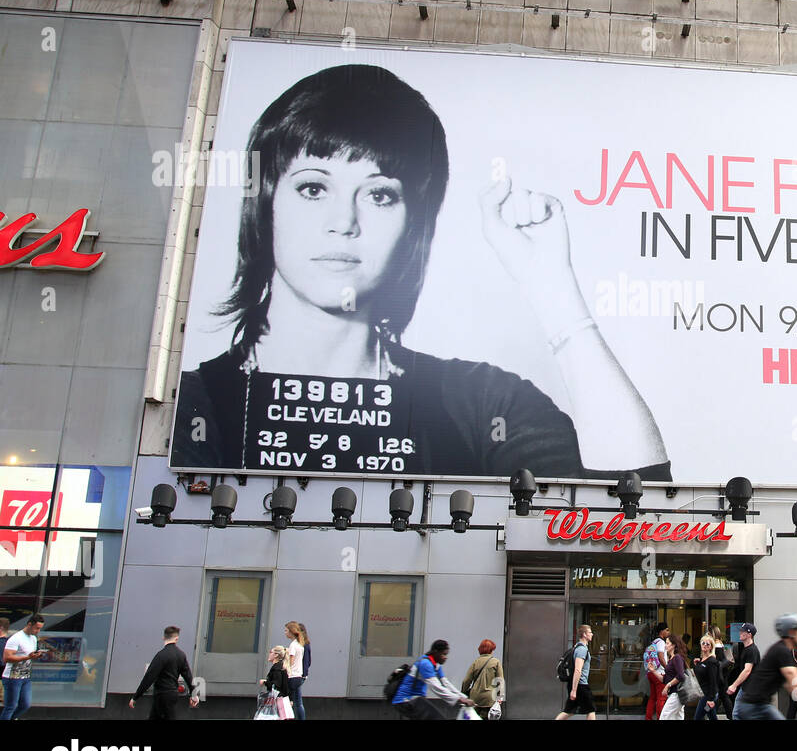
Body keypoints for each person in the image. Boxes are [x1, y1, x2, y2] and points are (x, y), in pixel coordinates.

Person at [172, 63, 671, 482]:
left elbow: (637, 502)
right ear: (266, 205)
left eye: (379, 194)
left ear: (415, 222)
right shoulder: (195, 407)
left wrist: (552, 291)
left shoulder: (480, 403)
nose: (343, 223)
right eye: (312, 188)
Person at [733, 614, 797, 720]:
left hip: (760, 705)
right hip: (753, 707)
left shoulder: (783, 649)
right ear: (791, 633)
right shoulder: (781, 651)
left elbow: (792, 686)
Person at [129, 625, 199, 720]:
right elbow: (188, 677)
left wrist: (135, 697)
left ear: (163, 638)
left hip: (161, 695)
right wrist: (194, 695)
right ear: (176, 638)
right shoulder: (181, 655)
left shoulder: (161, 655)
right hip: (173, 694)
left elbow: (149, 677)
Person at [393, 639, 474, 720]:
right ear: (435, 652)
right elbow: (436, 686)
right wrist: (459, 699)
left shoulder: (435, 665)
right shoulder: (425, 664)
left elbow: (445, 683)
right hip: (405, 701)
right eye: (444, 654)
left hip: (416, 700)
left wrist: (463, 697)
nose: (446, 657)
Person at [2, 614, 45, 721]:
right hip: (12, 677)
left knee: (25, 704)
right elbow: (7, 658)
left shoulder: (33, 639)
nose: (38, 631)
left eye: (40, 628)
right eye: (37, 628)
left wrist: (36, 656)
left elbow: (29, 656)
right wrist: (27, 657)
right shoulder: (16, 638)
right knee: (11, 706)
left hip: (25, 676)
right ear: (29, 624)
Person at [557, 624, 597, 720]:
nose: (592, 634)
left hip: (577, 685)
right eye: (590, 632)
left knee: (568, 711)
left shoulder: (578, 648)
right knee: (591, 710)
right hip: (581, 685)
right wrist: (574, 690)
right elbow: (578, 670)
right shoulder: (582, 650)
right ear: (584, 634)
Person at [462, 639, 504, 719]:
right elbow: (500, 681)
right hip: (489, 699)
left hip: (475, 698)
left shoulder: (475, 662)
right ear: (491, 650)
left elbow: (466, 680)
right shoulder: (496, 662)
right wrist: (500, 698)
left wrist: (463, 693)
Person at [725, 622, 760, 719]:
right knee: (739, 714)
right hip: (746, 687)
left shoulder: (751, 650)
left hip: (750, 688)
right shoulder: (746, 649)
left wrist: (734, 685)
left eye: (742, 631)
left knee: (738, 714)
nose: (740, 633)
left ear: (749, 635)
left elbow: (747, 670)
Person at [659, 633, 689, 720]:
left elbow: (681, 676)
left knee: (664, 717)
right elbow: (665, 678)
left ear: (673, 645)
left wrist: (668, 685)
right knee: (678, 717)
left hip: (677, 694)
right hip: (676, 694)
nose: (665, 645)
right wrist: (653, 671)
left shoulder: (676, 658)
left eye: (667, 643)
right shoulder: (672, 658)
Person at [643, 621, 669, 720]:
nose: (668, 632)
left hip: (651, 672)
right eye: (667, 630)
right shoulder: (662, 642)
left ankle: (648, 718)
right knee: (661, 698)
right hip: (659, 673)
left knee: (653, 698)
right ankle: (660, 718)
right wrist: (667, 668)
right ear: (662, 631)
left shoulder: (654, 641)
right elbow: (661, 657)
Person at [692, 634, 722, 721]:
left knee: (698, 717)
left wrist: (711, 699)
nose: (705, 645)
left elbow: (713, 681)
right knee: (712, 716)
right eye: (703, 643)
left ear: (711, 647)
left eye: (707, 644)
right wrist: (698, 664)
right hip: (705, 694)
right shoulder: (702, 660)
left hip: (708, 695)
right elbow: (700, 673)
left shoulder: (711, 661)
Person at [284, 621, 308, 721]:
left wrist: (284, 666)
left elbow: (291, 662)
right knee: (298, 702)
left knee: (289, 702)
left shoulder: (293, 645)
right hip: (299, 676)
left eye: (286, 630)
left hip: (292, 676)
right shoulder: (300, 645)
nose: (285, 632)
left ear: (291, 632)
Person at [710, 625, 733, 717]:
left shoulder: (717, 646)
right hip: (723, 674)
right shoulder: (721, 644)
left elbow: (718, 661)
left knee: (718, 696)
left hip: (719, 675)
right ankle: (729, 716)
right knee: (722, 696)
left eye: (709, 633)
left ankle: (712, 715)